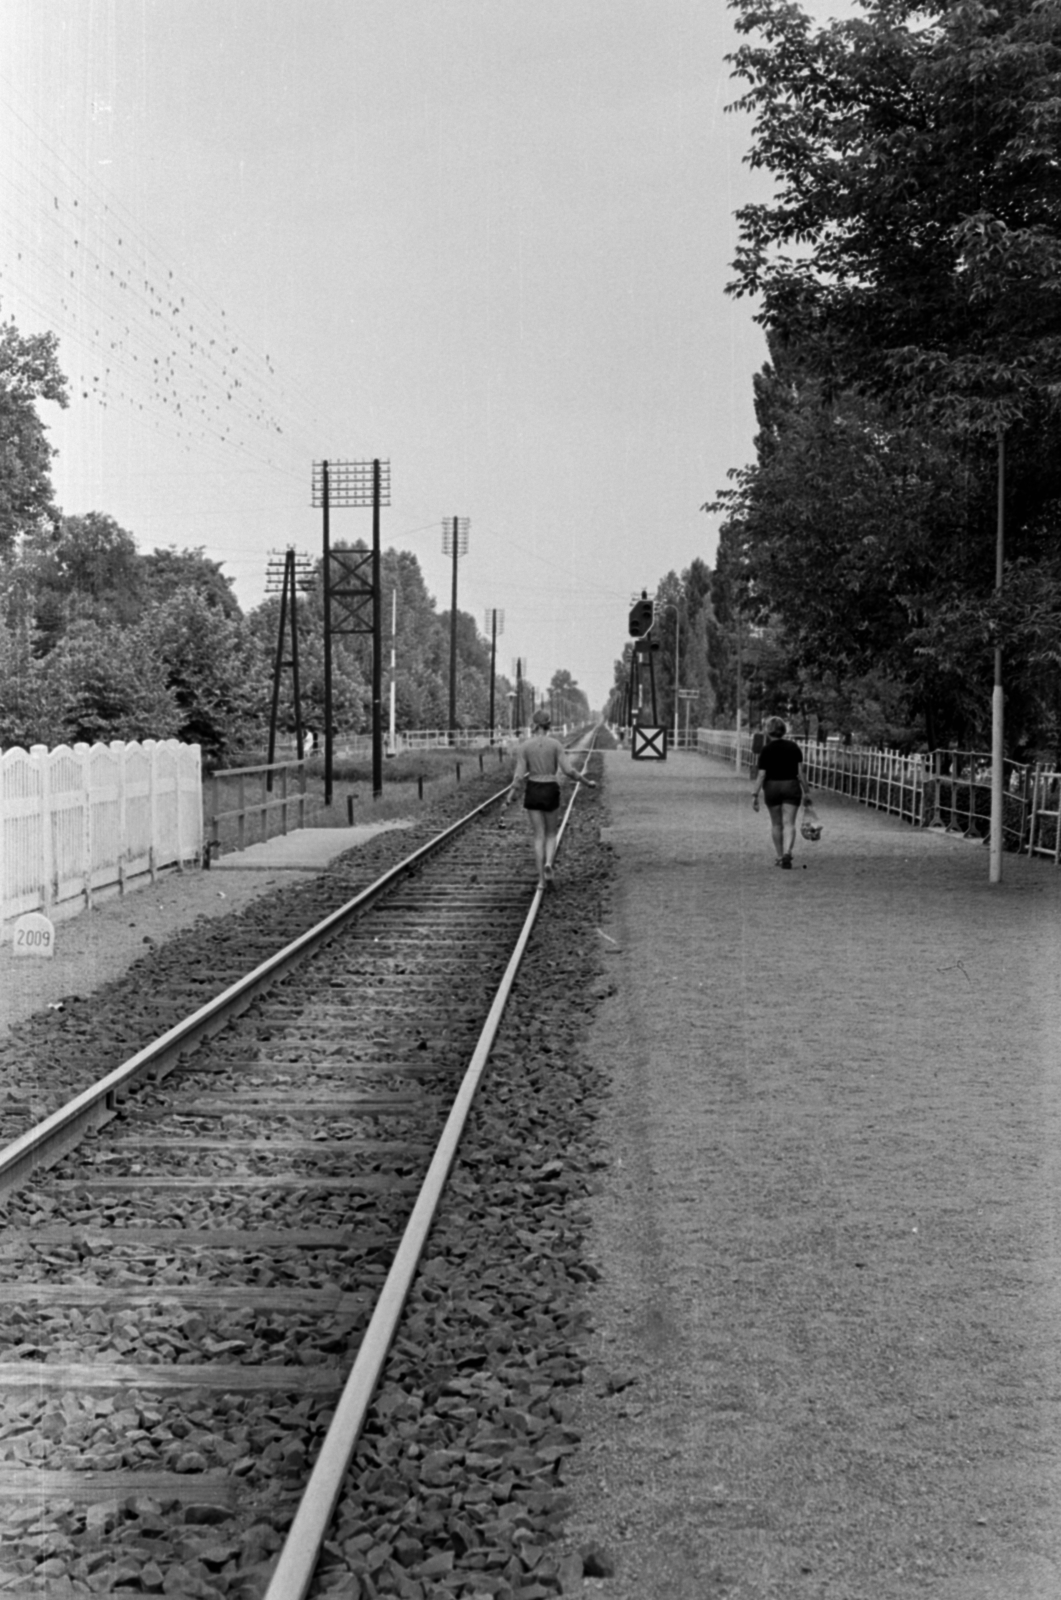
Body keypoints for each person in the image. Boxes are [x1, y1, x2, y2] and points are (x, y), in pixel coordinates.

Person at [502, 708, 596, 890]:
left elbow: (519, 777)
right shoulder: (556, 745)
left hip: (533, 789)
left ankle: (540, 881)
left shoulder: (524, 747)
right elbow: (569, 771)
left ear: (534, 725)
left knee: (538, 836)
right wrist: (586, 782)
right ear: (548, 725)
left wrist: (509, 798)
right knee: (551, 834)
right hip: (550, 789)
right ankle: (549, 863)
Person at [750, 715, 811, 868]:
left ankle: (778, 856)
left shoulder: (765, 750)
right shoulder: (794, 747)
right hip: (791, 786)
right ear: (783, 730)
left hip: (771, 788)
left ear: (768, 731)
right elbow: (800, 772)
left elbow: (761, 774)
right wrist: (807, 792)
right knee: (789, 823)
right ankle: (788, 853)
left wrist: (755, 794)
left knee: (776, 824)